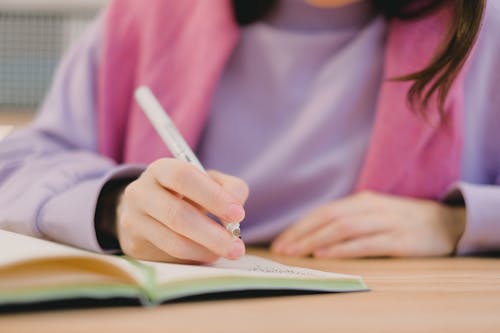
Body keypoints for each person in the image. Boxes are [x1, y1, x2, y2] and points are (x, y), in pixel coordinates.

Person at [0, 0, 499, 264]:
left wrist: (455, 224)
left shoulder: (485, 27)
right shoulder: (148, 12)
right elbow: (17, 164)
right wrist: (117, 207)